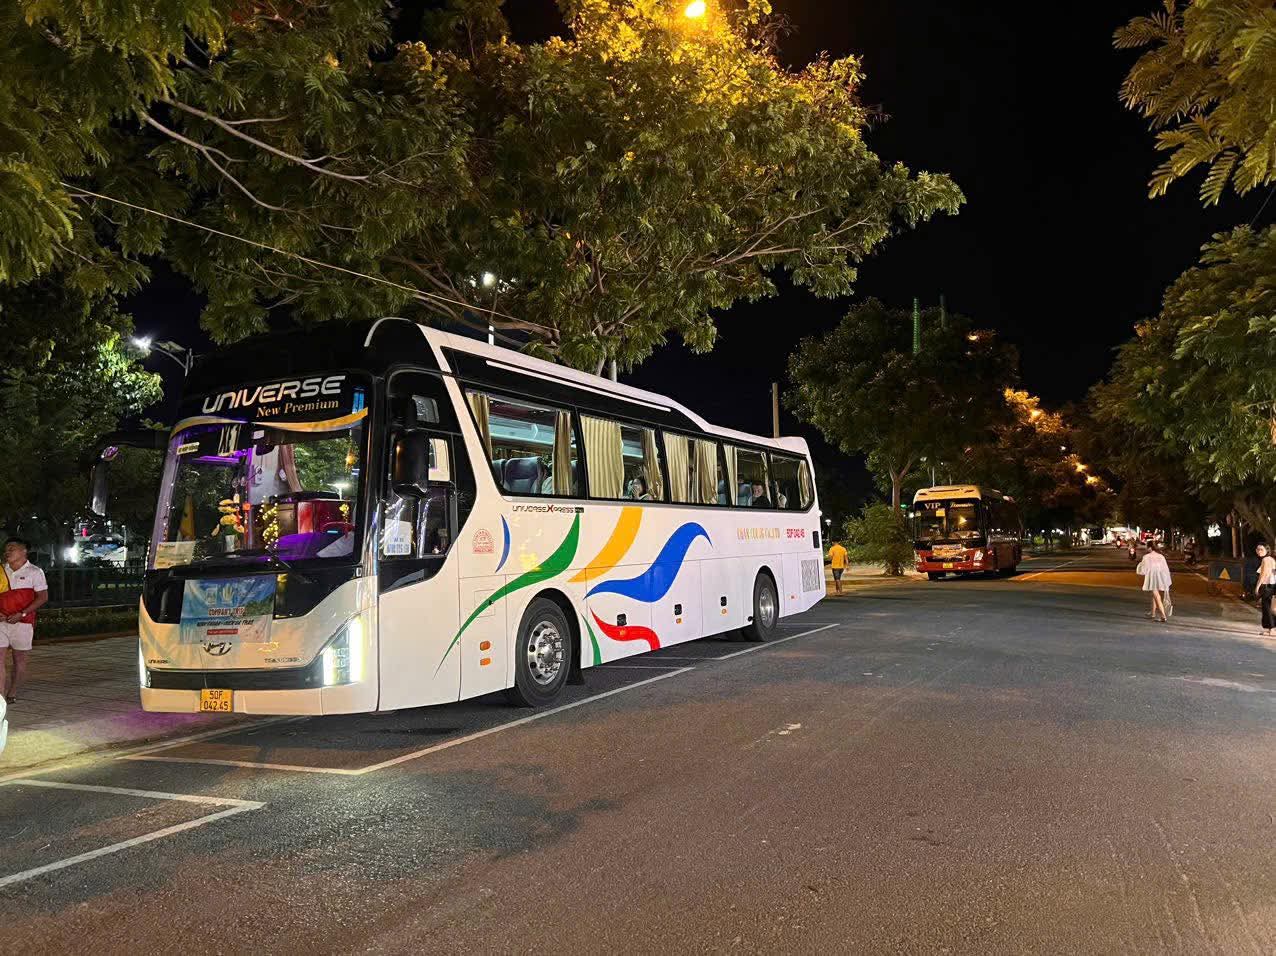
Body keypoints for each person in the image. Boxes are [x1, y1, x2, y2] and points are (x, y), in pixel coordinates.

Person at [0, 537, 49, 704]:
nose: (7, 551)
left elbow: (43, 597)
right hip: (1, 623)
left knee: (19, 661)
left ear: (24, 551)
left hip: (23, 623)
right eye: (6, 549)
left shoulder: (35, 572)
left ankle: (12, 691)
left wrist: (21, 613)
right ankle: (0, 698)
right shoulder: (1, 571)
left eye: (12, 548)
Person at [1136, 539, 1172, 623]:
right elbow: (1165, 569)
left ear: (1150, 548)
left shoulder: (1147, 557)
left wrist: (1140, 566)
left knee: (1156, 595)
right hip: (1161, 577)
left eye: (1147, 547)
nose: (1146, 548)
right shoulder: (1161, 556)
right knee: (1154, 594)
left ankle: (1163, 616)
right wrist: (1166, 580)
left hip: (1153, 578)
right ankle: (1152, 613)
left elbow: (1143, 570)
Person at [1257, 542, 1276, 635]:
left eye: (1261, 549)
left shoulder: (1265, 560)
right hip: (1271, 586)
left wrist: (1257, 587)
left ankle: (1271, 629)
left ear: (1267, 550)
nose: (1259, 551)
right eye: (1257, 549)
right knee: (1269, 607)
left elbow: (1263, 574)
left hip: (1267, 586)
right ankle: (1271, 629)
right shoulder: (1270, 559)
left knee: (1267, 608)